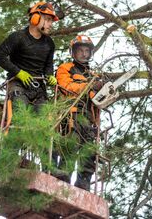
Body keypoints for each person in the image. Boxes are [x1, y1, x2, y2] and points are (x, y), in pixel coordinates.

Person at [55, 34, 103, 191]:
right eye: (80, 50)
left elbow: (98, 102)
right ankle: (62, 180)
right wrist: (88, 86)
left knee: (89, 154)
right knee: (71, 146)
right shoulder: (66, 68)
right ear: (74, 52)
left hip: (89, 119)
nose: (84, 54)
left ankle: (83, 186)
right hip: (72, 113)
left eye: (86, 51)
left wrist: (102, 90)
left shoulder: (93, 75)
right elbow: (65, 87)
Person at [0, 1, 59, 112]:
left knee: (42, 122)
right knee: (20, 113)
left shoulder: (49, 43)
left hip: (39, 89)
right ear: (35, 18)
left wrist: (50, 75)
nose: (50, 24)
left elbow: (48, 65)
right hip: (17, 84)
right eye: (47, 20)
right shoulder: (18, 37)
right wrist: (19, 72)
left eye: (51, 21)